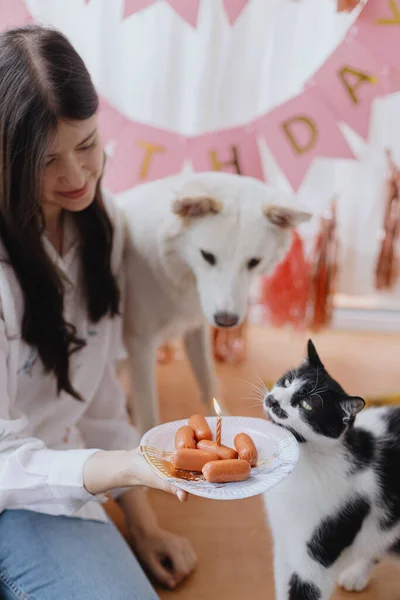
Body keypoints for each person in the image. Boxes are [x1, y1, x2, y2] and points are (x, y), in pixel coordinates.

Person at [0, 24, 197, 600]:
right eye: (46, 161)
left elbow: (99, 397)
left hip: (51, 485)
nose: (76, 176)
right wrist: (129, 467)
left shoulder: (99, 227)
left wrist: (143, 524)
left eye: (86, 145)